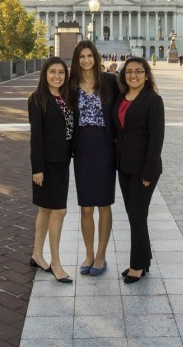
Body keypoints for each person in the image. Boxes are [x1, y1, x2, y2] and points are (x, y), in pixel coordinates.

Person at [69, 41, 118, 277]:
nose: (86, 60)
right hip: (82, 147)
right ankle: (88, 253)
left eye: (90, 56)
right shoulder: (71, 85)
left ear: (96, 58)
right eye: (82, 56)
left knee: (104, 204)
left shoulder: (109, 82)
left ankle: (101, 255)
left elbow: (124, 108)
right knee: (86, 206)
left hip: (105, 146)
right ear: (77, 60)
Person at [114, 56, 164, 283]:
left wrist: (149, 172)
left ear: (146, 74)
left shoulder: (153, 100)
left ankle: (137, 265)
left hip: (144, 169)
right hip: (124, 166)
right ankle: (145, 257)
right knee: (134, 215)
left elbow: (157, 139)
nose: (133, 75)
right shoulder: (122, 98)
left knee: (137, 215)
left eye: (138, 71)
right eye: (129, 72)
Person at [27, 57, 74, 283]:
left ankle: (37, 254)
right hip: (47, 165)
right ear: (45, 74)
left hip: (62, 162)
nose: (57, 76)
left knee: (45, 210)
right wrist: (37, 168)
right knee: (59, 211)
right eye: (52, 72)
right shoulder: (37, 99)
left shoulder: (64, 98)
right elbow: (36, 137)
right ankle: (55, 262)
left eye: (61, 72)